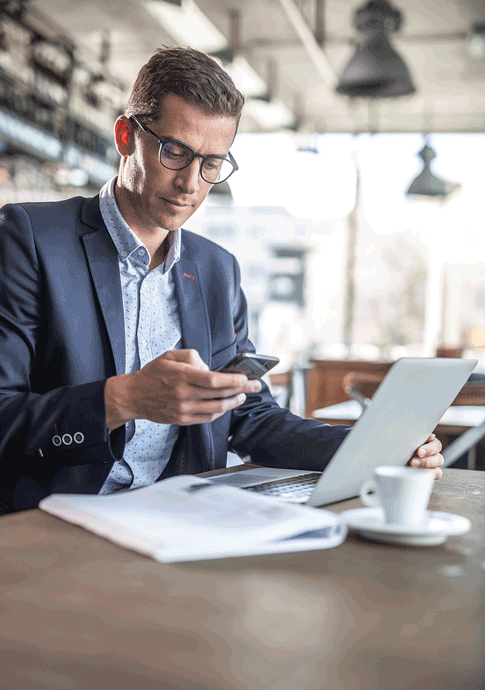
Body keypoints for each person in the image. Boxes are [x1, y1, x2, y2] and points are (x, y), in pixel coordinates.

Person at [0, 47, 443, 514]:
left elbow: (249, 417)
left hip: (177, 519)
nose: (191, 183)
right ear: (126, 136)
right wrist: (121, 399)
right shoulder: (30, 238)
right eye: (175, 152)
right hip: (54, 522)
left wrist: (373, 449)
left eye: (212, 163)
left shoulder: (216, 270)